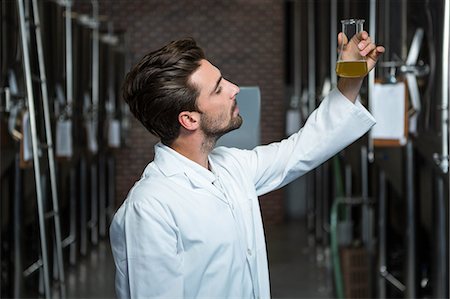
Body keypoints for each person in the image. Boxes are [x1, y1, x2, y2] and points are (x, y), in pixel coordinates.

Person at [110, 33, 384, 298]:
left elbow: (302, 149)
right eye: (218, 88)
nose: (234, 89)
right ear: (189, 120)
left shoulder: (230, 166)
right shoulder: (149, 209)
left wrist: (350, 79)